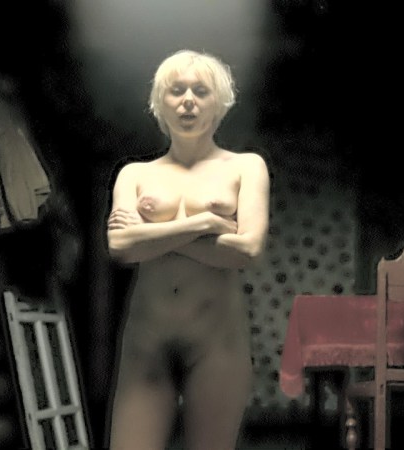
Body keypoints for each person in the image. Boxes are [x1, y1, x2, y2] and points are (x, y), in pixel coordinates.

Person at [106, 49, 270, 450]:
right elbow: (120, 247)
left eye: (201, 91)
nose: (188, 101)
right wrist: (206, 224)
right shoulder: (134, 174)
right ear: (160, 102)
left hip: (217, 341)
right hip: (147, 340)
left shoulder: (246, 167)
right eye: (176, 90)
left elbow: (248, 249)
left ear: (219, 102)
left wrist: (153, 235)